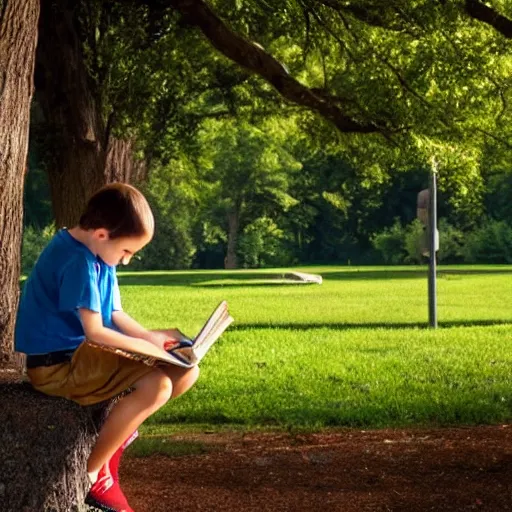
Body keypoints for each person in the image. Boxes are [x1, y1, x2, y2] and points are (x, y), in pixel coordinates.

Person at [15, 183, 200, 512]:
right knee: (157, 384)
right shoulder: (78, 262)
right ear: (102, 234)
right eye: (127, 252)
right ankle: (92, 473)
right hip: (57, 367)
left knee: (185, 371)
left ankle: (115, 443)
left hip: (80, 358)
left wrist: (150, 338)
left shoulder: (98, 254)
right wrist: (150, 351)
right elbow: (96, 333)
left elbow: (114, 313)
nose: (126, 261)